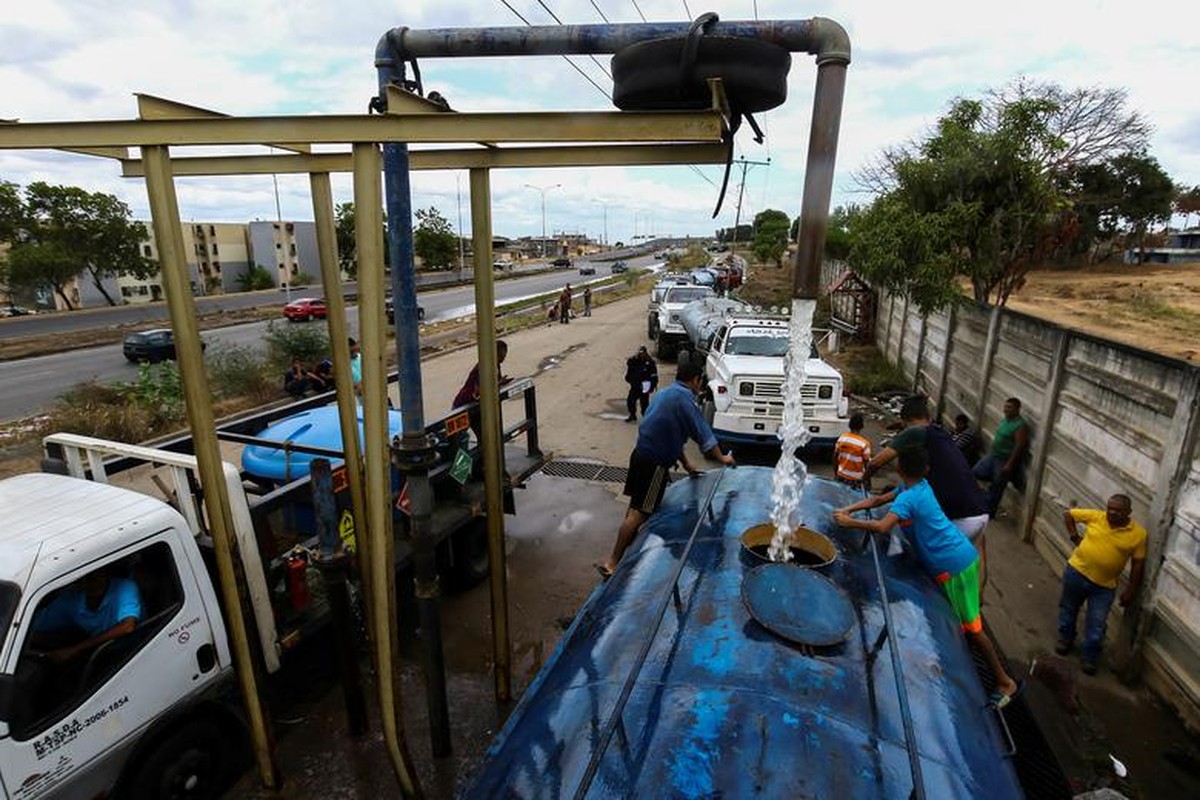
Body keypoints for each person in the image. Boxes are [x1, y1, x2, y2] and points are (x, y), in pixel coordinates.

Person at [834, 448, 1022, 707]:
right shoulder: (918, 488)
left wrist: (849, 523)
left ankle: (1004, 681)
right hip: (959, 557)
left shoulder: (908, 499)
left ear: (899, 469)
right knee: (961, 621)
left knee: (972, 629)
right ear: (925, 471)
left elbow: (881, 525)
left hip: (954, 566)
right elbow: (877, 501)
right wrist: (847, 509)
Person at [598, 360, 735, 578]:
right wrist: (723, 458)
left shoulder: (666, 393)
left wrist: (687, 464)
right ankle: (613, 563)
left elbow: (672, 433)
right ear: (695, 380)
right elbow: (704, 435)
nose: (700, 386)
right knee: (640, 514)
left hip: (640, 455)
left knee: (634, 508)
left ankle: (624, 555)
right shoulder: (686, 400)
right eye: (700, 382)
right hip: (655, 465)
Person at [864, 396, 991, 585]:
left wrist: (863, 477)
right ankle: (977, 600)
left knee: (928, 563)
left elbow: (876, 462)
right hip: (979, 512)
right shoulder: (940, 433)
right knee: (974, 554)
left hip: (958, 517)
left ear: (906, 420)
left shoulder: (915, 433)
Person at [1057, 494, 1147, 675]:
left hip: (1104, 586)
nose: (1112, 513)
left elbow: (1138, 563)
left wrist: (1131, 589)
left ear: (1128, 513)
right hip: (1077, 573)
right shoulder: (1097, 516)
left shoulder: (1138, 534)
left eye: (1118, 510)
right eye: (1110, 508)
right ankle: (1065, 639)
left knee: (1097, 623)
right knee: (1068, 608)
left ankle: (1089, 656)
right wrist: (1075, 538)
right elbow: (1068, 515)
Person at [31, 569, 142, 665]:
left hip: (138, 646)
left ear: (107, 574)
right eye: (89, 577)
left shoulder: (125, 587)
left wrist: (75, 649)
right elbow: (33, 625)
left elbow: (127, 626)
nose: (95, 581)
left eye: (99, 574)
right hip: (101, 652)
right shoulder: (70, 601)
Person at [973, 397, 1030, 517]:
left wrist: (1010, 464)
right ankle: (988, 494)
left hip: (1004, 459)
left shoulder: (1020, 425)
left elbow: (1019, 446)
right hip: (993, 455)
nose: (1006, 409)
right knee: (977, 472)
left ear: (1017, 409)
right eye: (1005, 406)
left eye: (1009, 407)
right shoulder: (1005, 420)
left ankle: (989, 512)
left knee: (997, 487)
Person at [452, 340, 513, 443]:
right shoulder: (484, 367)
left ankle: (484, 457)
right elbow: (480, 389)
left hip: (477, 407)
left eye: (504, 356)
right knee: (458, 439)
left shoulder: (496, 365)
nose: (503, 359)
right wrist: (498, 384)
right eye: (501, 356)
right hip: (464, 405)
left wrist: (500, 383)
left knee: (484, 437)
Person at [833, 413, 872, 486]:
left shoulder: (842, 438)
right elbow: (867, 464)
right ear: (862, 426)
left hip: (841, 475)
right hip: (856, 480)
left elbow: (835, 457)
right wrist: (868, 481)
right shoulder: (864, 444)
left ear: (849, 425)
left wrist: (836, 473)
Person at [624, 346, 659, 422]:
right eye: (640, 353)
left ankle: (646, 417)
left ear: (646, 353)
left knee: (644, 404)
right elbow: (629, 370)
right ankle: (632, 415)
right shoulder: (634, 361)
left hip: (645, 386)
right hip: (635, 385)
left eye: (643, 353)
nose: (641, 355)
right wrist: (629, 379)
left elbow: (654, 375)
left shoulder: (650, 363)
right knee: (630, 401)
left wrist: (652, 385)